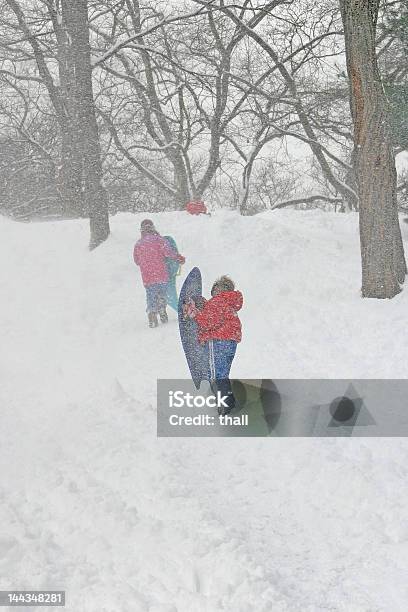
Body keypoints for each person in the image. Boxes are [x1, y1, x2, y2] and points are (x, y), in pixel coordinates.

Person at [184, 276, 243, 414]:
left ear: (219, 289)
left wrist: (193, 312)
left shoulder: (218, 301)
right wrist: (203, 305)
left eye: (216, 287)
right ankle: (229, 402)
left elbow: (207, 322)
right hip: (230, 343)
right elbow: (215, 316)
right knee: (222, 374)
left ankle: (224, 405)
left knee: (215, 375)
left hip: (218, 341)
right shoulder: (228, 302)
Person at [134, 219, 185, 328]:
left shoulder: (138, 244)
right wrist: (178, 258)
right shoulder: (159, 240)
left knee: (151, 295)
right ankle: (162, 309)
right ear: (153, 228)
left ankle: (152, 314)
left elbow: (137, 261)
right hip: (161, 274)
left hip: (147, 276)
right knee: (162, 293)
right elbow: (169, 253)